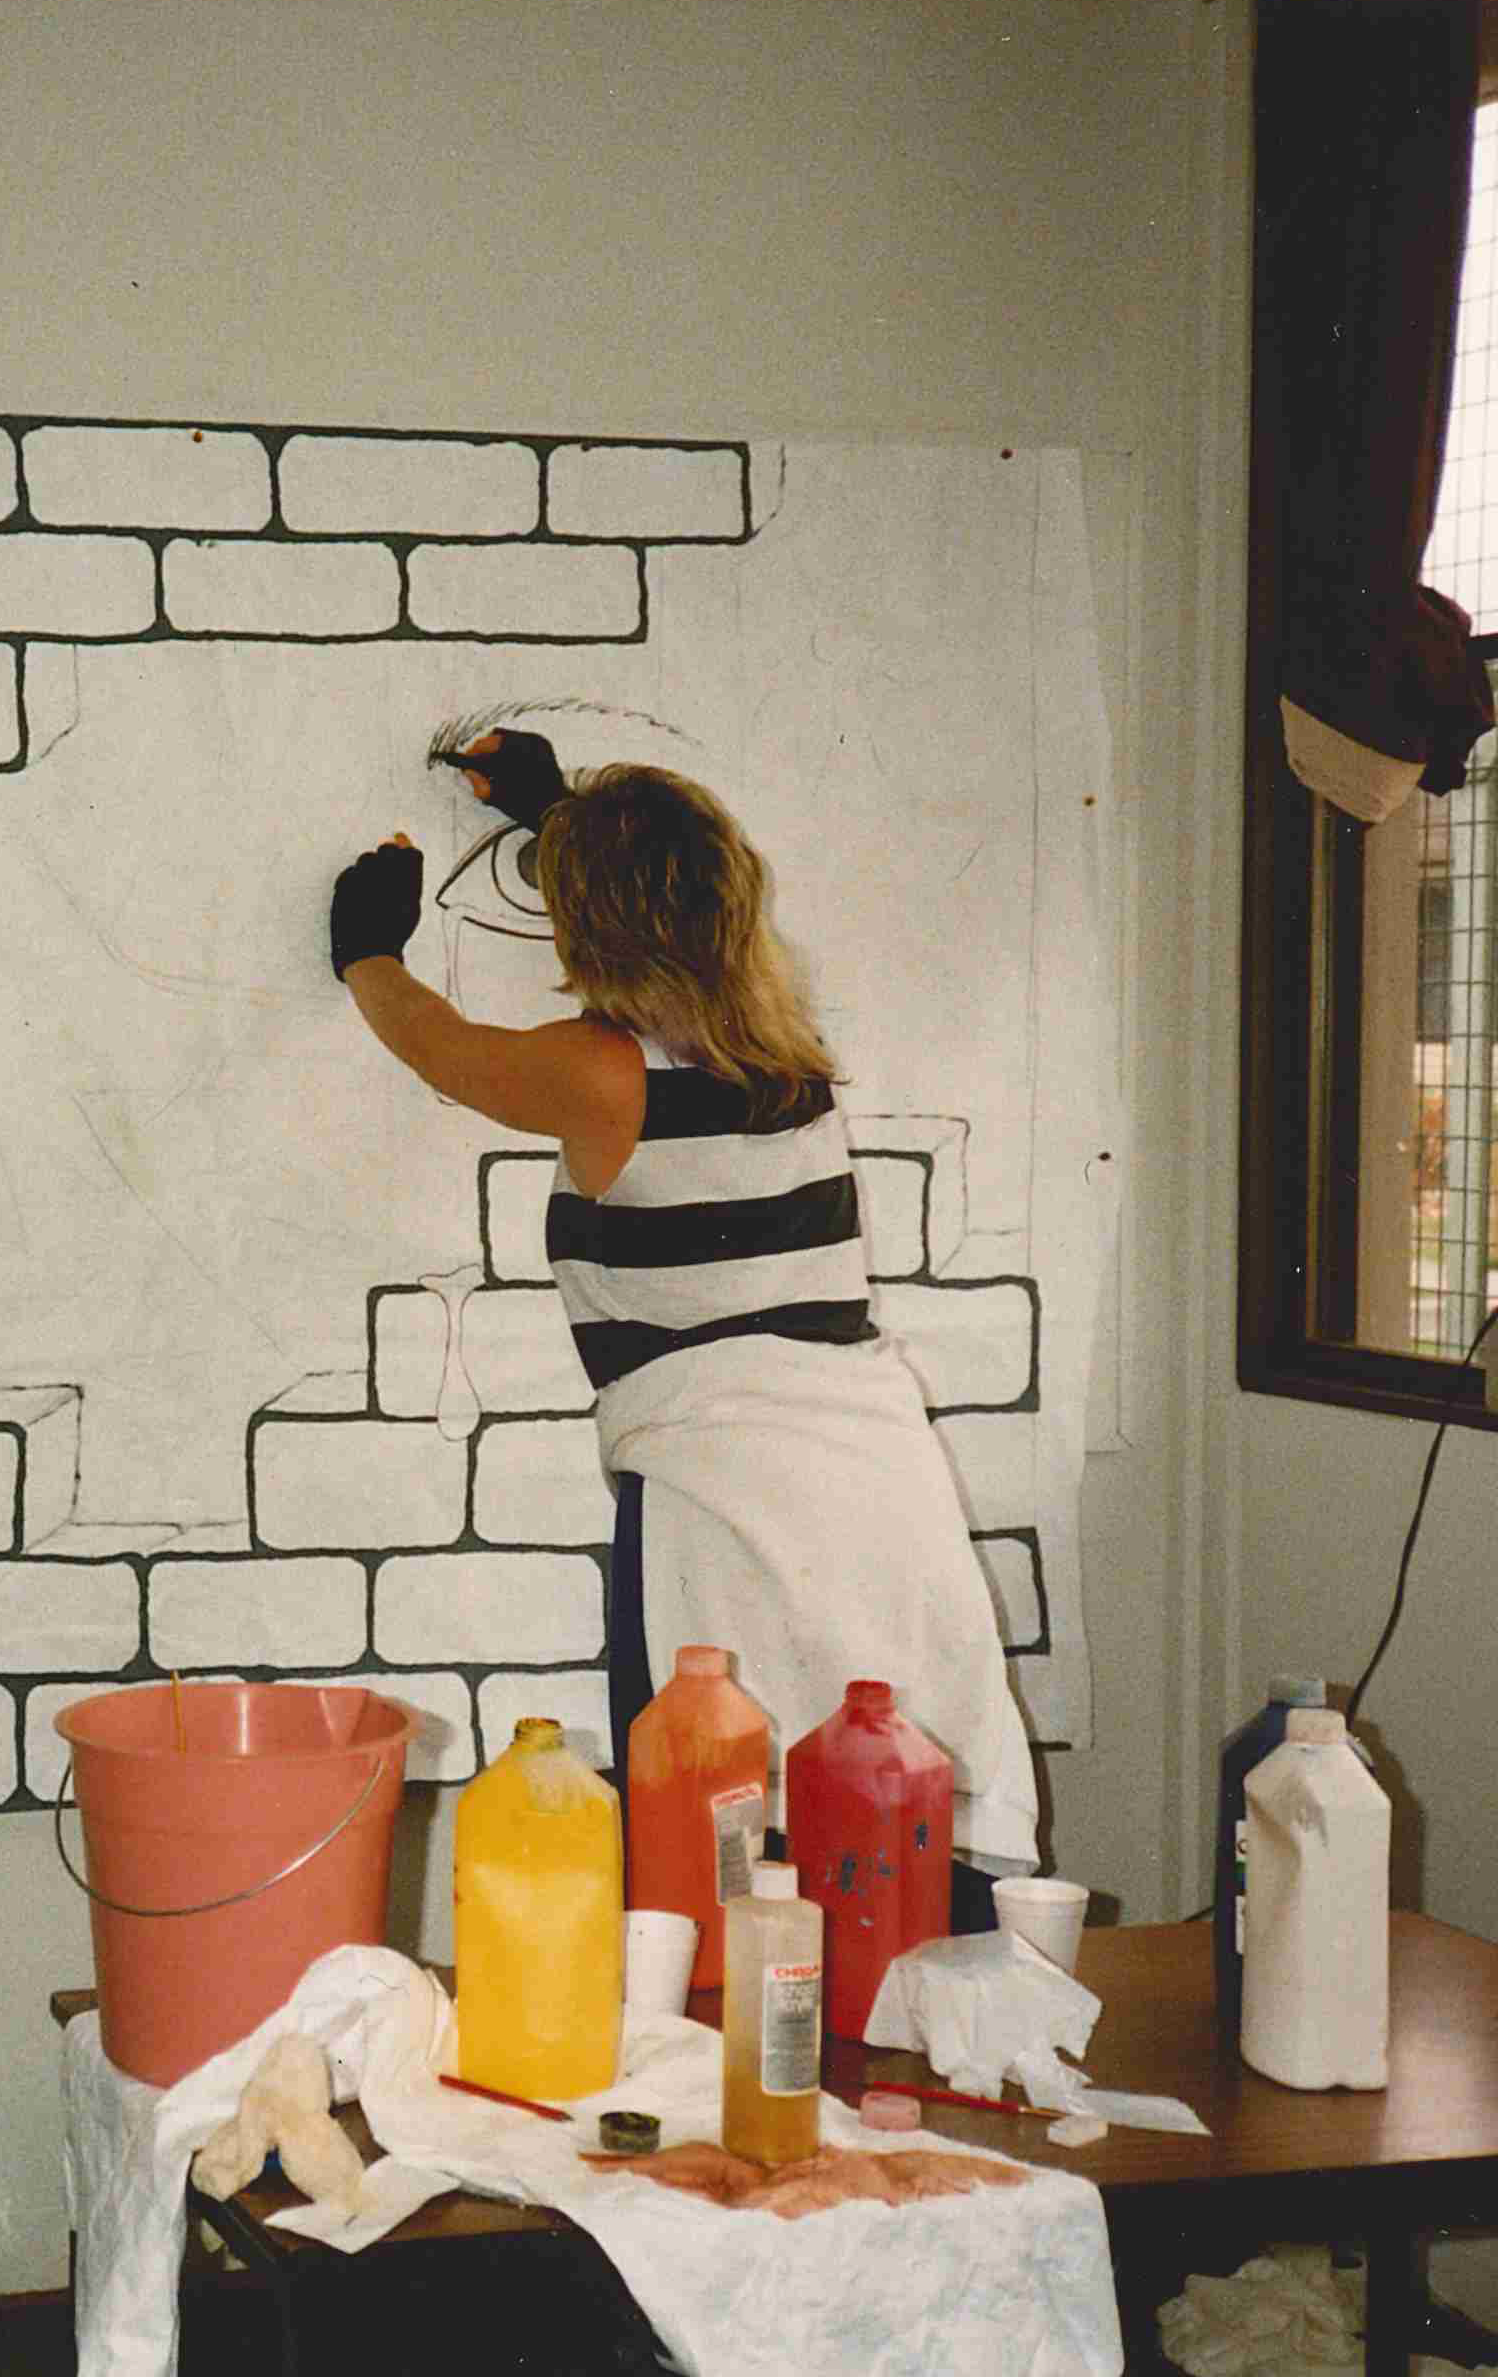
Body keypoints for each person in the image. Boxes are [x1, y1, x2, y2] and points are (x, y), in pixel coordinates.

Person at [327, 731, 1041, 1891]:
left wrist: (366, 952)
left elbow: (442, 1049)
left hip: (726, 1500)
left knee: (717, 1863)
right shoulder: (784, 1057)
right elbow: (667, 912)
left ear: (586, 930)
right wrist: (558, 815)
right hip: (881, 1493)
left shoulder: (603, 1073)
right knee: (897, 1852)